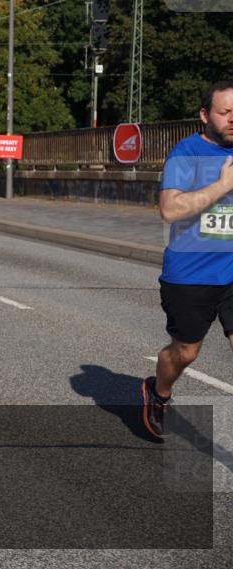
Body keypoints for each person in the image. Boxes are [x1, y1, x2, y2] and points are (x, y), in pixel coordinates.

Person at [142, 80, 233, 438]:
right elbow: (170, 209)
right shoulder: (186, 152)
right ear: (204, 115)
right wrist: (223, 186)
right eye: (225, 112)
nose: (232, 120)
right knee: (186, 352)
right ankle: (158, 392)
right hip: (190, 274)